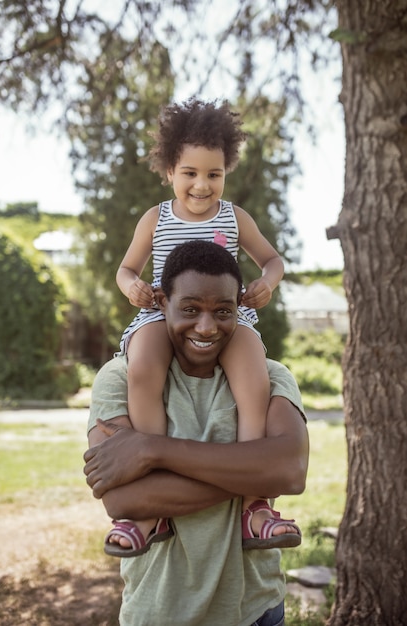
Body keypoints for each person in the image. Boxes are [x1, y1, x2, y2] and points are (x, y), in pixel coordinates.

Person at [84, 240, 309, 626]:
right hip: (157, 612)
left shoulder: (271, 377)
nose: (206, 326)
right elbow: (124, 499)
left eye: (223, 311)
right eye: (189, 309)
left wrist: (151, 451)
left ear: (239, 307)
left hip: (254, 610)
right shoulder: (118, 378)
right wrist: (253, 471)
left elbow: (290, 471)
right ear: (161, 304)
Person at [110, 97, 298, 555]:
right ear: (170, 171)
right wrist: (133, 287)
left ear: (225, 173)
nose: (202, 184)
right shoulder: (156, 218)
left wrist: (266, 283)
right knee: (141, 369)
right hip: (162, 312)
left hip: (225, 313)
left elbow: (273, 260)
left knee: (254, 373)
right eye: (190, 173)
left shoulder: (235, 218)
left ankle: (256, 505)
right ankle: (149, 506)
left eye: (213, 174)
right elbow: (125, 270)